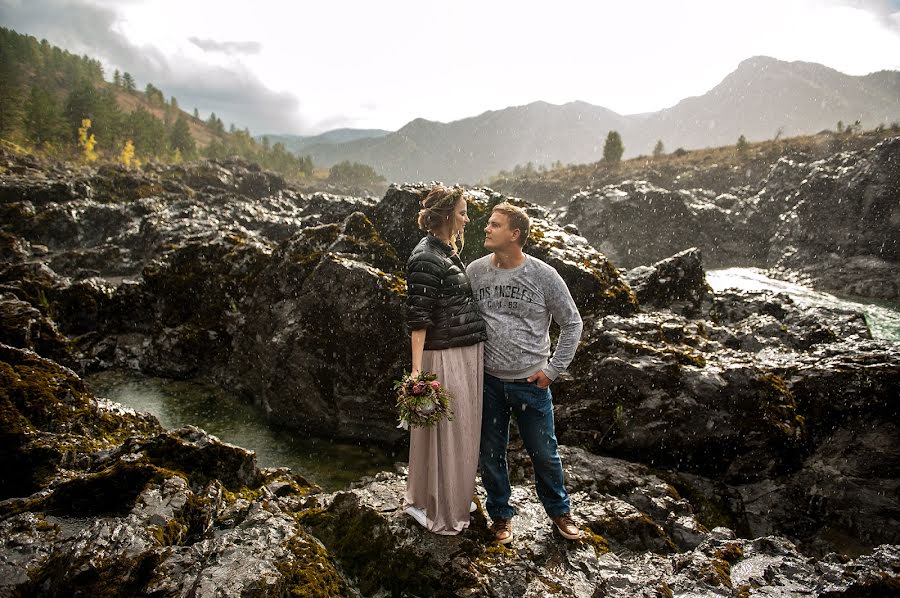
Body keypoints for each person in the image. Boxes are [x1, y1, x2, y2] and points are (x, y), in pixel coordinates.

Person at [466, 202, 584, 544]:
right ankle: (501, 517)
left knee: (544, 453)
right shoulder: (475, 271)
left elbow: (572, 322)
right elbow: (462, 319)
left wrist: (553, 370)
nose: (486, 229)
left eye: (495, 225)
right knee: (490, 454)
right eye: (488, 224)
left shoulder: (543, 275)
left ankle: (560, 512)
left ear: (515, 234)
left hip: (531, 384)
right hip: (488, 382)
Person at [403, 184, 488, 535]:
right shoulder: (426, 256)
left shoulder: (444, 250)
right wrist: (417, 375)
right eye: (463, 212)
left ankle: (446, 496)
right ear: (446, 215)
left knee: (459, 431)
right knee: (447, 434)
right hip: (445, 356)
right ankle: (436, 507)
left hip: (462, 351)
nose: (467, 218)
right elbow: (417, 321)